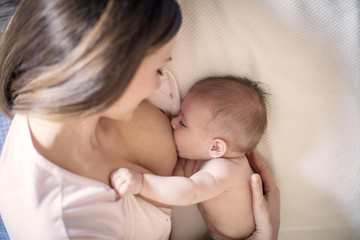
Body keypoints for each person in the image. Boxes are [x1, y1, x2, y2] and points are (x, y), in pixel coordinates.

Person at [0, 0, 279, 239]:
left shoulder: (74, 72)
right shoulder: (72, 225)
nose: (160, 82)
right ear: (109, 76)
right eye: (159, 69)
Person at [111, 76, 269, 240]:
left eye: (183, 123)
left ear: (215, 147)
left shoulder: (225, 170)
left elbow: (189, 192)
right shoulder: (206, 159)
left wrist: (142, 183)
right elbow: (176, 176)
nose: (173, 122)